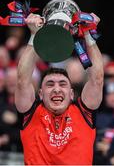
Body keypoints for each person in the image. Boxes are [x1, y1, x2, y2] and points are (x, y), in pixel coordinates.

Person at [15, 13, 104, 165]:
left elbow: (97, 79)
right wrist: (35, 36)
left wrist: (88, 34)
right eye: (50, 84)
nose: (56, 89)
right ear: (40, 94)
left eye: (62, 84)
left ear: (71, 94)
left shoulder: (83, 113)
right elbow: (23, 81)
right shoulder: (31, 113)